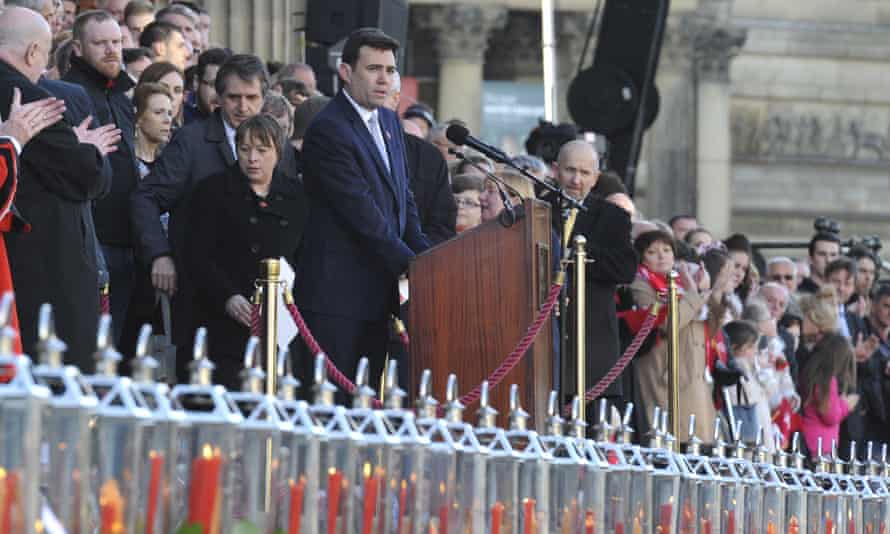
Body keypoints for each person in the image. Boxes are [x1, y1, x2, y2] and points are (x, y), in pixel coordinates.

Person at [132, 53, 284, 382]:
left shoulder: (275, 144)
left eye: (251, 98)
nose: (242, 107)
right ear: (218, 97)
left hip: (262, 295)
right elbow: (147, 197)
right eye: (233, 98)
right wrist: (159, 254)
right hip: (203, 293)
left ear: (264, 97)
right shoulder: (193, 141)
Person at [293, 27, 430, 395]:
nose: (384, 78)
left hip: (377, 298)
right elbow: (362, 214)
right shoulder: (329, 130)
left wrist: (431, 259)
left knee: (367, 411)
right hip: (336, 299)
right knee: (333, 409)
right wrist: (415, 267)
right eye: (374, 69)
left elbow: (405, 200)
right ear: (346, 72)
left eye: (390, 69)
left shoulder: (388, 121)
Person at [0, 6, 115, 367]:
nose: (45, 70)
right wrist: (88, 149)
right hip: (40, 270)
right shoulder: (26, 96)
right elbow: (85, 174)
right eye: (45, 56)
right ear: (34, 51)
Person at [187, 115, 307, 388]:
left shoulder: (297, 197)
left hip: (283, 321)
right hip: (225, 320)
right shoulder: (212, 191)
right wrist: (227, 296)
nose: (252, 158)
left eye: (262, 150)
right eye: (245, 149)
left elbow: (304, 256)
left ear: (278, 151)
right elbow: (197, 255)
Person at [64, 9, 139, 343]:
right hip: (92, 238)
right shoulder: (69, 94)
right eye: (100, 43)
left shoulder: (122, 97)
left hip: (128, 236)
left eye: (117, 42)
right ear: (78, 48)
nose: (112, 50)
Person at [631, 230, 718, 440]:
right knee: (670, 440)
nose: (661, 256)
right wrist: (694, 295)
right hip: (665, 377)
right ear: (642, 257)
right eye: (652, 251)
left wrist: (704, 290)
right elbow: (667, 322)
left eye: (667, 250)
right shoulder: (640, 284)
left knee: (699, 447)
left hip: (694, 378)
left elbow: (710, 329)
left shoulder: (683, 283)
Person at [383, 80, 455, 245]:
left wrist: (416, 261)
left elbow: (442, 225)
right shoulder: (342, 144)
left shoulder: (428, 157)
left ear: (395, 99)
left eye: (380, 95)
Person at [799, 333, 857, 459]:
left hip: (813, 441)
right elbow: (830, 416)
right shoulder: (827, 381)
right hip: (820, 446)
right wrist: (846, 405)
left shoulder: (812, 373)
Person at [132, 82, 173, 176]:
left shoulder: (171, 161)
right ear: (138, 117)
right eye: (158, 112)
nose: (167, 120)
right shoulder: (124, 163)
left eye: (170, 113)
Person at [183, 47, 232, 124]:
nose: (220, 94)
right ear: (196, 82)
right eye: (213, 84)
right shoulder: (181, 120)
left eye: (226, 86)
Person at [139, 61, 185, 128]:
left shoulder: (187, 135)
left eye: (177, 91)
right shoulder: (125, 133)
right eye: (163, 89)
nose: (171, 96)